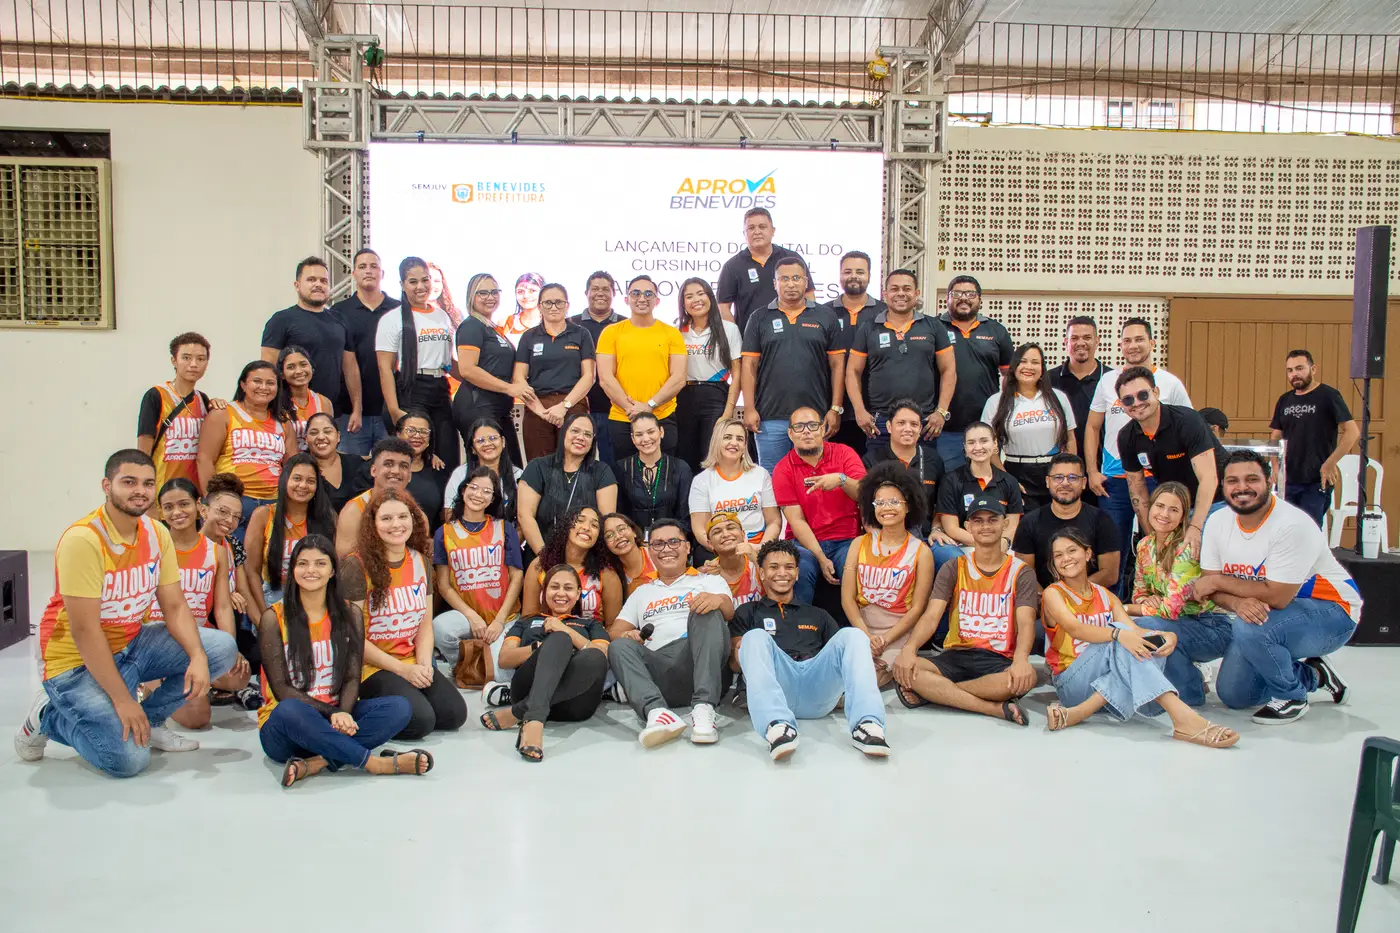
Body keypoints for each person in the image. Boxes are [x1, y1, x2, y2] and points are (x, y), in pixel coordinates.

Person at [15, 450, 238, 776]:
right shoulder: (84, 540)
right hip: (74, 663)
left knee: (221, 648)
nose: (140, 491)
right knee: (128, 760)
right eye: (129, 482)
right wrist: (123, 700)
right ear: (107, 486)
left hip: (131, 645)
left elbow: (175, 606)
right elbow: (85, 632)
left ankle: (151, 721)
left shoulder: (156, 533)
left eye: (148, 483)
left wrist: (197, 655)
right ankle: (47, 716)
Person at [1193, 451, 1359, 724]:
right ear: (1223, 486)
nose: (1242, 487)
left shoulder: (1291, 524)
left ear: (1269, 481)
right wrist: (1236, 602)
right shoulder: (1218, 521)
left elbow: (1278, 596)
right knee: (1235, 695)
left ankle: (1291, 696)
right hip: (1271, 613)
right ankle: (1315, 675)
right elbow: (1209, 587)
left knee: (1251, 626)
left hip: (1331, 611)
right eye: (1232, 481)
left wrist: (1218, 581)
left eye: (1251, 479)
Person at [1040, 528, 1240, 748]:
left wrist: (1165, 636)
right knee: (1120, 635)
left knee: (1145, 644)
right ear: (1053, 564)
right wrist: (1118, 634)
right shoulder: (1053, 593)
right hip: (1071, 683)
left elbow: (1134, 630)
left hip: (1103, 685)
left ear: (1087, 554)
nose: (1066, 558)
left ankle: (1078, 713)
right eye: (1058, 555)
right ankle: (1182, 717)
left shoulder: (1105, 595)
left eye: (1072, 551)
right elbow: (1076, 629)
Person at [255, 535, 429, 787]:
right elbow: (282, 690)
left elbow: (351, 677)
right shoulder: (273, 618)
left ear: (333, 571)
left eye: (320, 563)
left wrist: (344, 713)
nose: (311, 570)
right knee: (288, 710)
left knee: (399, 707)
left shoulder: (350, 614)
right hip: (290, 729)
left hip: (335, 720)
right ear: (292, 570)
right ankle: (374, 764)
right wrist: (334, 713)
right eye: (302, 563)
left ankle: (318, 762)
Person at [731, 540, 889, 760]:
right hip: (778, 686)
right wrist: (743, 651)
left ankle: (868, 724)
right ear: (762, 573)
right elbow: (734, 665)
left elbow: (843, 657)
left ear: (797, 573)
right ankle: (776, 726)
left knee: (853, 635)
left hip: (817, 689)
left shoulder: (818, 614)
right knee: (754, 636)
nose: (782, 573)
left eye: (789, 567)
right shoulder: (748, 611)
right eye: (774, 567)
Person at [890, 495, 1037, 726]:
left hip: (999, 659)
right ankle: (992, 708)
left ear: (1005, 524)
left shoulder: (1021, 571)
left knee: (1024, 678)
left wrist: (1021, 660)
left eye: (992, 520)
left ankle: (938, 694)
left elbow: (1026, 622)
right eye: (978, 521)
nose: (985, 526)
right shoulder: (953, 567)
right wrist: (909, 648)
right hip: (956, 655)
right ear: (968, 526)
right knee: (908, 667)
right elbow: (931, 616)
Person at [340, 489, 468, 740]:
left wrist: (424, 664)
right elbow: (353, 638)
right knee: (422, 721)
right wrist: (402, 670)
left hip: (408, 659)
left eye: (402, 516)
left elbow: (425, 625)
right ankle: (359, 709)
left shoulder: (421, 561)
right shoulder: (356, 566)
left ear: (413, 519)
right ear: (373, 524)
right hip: (369, 666)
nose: (396, 524)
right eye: (386, 519)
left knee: (454, 714)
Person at [1085, 318, 1192, 593]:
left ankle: (1161, 601)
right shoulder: (1108, 381)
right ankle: (1113, 607)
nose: (1133, 346)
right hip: (1115, 480)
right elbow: (1093, 427)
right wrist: (1092, 471)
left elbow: (1188, 426)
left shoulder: (1170, 383)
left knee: (1162, 544)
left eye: (1139, 339)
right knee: (1113, 552)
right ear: (1120, 345)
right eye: (1127, 340)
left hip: (1160, 479)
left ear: (1152, 343)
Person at [608, 519, 734, 747]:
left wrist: (716, 600)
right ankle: (657, 713)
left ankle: (704, 708)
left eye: (674, 542)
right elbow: (615, 631)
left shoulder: (710, 580)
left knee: (705, 609)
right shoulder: (641, 591)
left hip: (699, 661)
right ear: (650, 551)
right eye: (658, 544)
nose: (666, 549)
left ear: (687, 547)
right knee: (618, 646)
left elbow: (728, 609)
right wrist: (628, 635)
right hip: (660, 672)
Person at [479, 564, 611, 761]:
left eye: (568, 588)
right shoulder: (525, 622)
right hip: (528, 686)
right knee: (558, 641)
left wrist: (565, 630)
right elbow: (505, 659)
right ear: (544, 591)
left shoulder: (591, 624)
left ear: (578, 594)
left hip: (576, 702)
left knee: (591, 654)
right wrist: (542, 649)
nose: (561, 593)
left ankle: (520, 711)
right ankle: (535, 720)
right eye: (554, 587)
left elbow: (602, 656)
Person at [148, 478, 254, 724]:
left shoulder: (216, 552)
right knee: (197, 719)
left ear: (198, 505)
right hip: (160, 638)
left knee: (239, 675)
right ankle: (153, 683)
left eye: (183, 504)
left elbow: (223, 606)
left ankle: (186, 678)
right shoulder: (154, 548)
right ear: (161, 512)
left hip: (199, 636)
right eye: (169, 507)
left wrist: (229, 648)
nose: (177, 512)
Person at [1121, 482, 1234, 708]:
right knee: (1143, 624)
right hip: (1177, 623)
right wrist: (1144, 601)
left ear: (1183, 516)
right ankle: (1187, 680)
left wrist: (1125, 609)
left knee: (1144, 624)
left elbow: (1169, 609)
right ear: (1150, 507)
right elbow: (1139, 593)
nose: (1164, 514)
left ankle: (1189, 691)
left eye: (1173, 510)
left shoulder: (1186, 548)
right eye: (1160, 506)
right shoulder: (1144, 545)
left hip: (1210, 625)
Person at [740, 255, 845, 469]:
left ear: (806, 282)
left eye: (796, 278)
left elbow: (837, 366)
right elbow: (749, 366)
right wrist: (749, 408)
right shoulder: (759, 318)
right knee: (772, 477)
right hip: (770, 417)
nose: (790, 284)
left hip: (815, 418)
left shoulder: (826, 316)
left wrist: (835, 408)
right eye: (784, 279)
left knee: (815, 477)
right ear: (775, 284)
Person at [1116, 365, 1228, 557]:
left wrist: (1195, 527)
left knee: (1208, 563)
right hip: (1178, 508)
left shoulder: (1187, 421)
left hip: (1217, 502)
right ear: (1121, 404)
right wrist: (1153, 537)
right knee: (1173, 566)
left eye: (1143, 395)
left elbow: (1209, 479)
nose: (1137, 403)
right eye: (1128, 399)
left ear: (1156, 392)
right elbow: (1138, 492)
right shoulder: (1127, 437)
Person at [840, 464, 935, 686]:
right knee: (839, 675)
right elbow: (847, 598)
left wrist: (885, 639)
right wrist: (865, 635)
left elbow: (918, 608)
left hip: (898, 633)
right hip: (862, 629)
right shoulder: (858, 544)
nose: (886, 508)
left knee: (868, 680)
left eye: (894, 502)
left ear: (908, 505)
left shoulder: (921, 552)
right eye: (880, 503)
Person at [846, 269, 955, 460]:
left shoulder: (933, 326)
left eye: (907, 289)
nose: (901, 293)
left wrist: (941, 411)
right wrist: (859, 411)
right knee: (879, 476)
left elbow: (949, 370)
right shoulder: (869, 327)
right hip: (879, 422)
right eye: (894, 289)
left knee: (920, 476)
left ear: (917, 293)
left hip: (923, 422)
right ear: (885, 294)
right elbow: (852, 371)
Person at [430, 468, 525, 684]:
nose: (478, 494)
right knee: (440, 629)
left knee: (500, 675)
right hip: (468, 616)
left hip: (504, 617)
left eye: (486, 491)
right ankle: (463, 666)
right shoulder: (444, 533)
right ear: (463, 490)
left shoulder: (504, 528)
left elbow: (517, 576)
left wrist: (499, 621)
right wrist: (472, 617)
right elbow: (444, 586)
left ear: (493, 499)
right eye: (473, 487)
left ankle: (478, 666)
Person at [770, 407, 866, 604]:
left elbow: (863, 493)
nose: (806, 431)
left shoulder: (844, 453)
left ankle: (858, 623)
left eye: (813, 425)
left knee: (855, 568)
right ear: (790, 433)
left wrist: (841, 480)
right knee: (799, 569)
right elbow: (796, 520)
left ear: (822, 429)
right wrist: (821, 557)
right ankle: (800, 622)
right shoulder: (782, 469)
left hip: (846, 539)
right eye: (799, 427)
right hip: (803, 543)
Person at [261, 256, 362, 440]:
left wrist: (357, 408)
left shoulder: (339, 320)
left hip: (332, 412)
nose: (318, 284)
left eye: (323, 281)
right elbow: (268, 368)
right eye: (311, 279)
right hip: (290, 413)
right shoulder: (281, 320)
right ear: (297, 285)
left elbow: (350, 368)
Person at [375, 257, 459, 472]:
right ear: (402, 284)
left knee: (448, 456)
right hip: (411, 389)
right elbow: (385, 368)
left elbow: (448, 362)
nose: (420, 286)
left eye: (425, 280)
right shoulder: (391, 319)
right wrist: (394, 410)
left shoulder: (442, 316)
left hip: (440, 389)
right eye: (413, 282)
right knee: (415, 458)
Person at [596, 274, 688, 459]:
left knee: (664, 473)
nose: (642, 298)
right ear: (626, 299)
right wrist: (632, 409)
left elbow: (679, 378)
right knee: (624, 473)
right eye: (636, 293)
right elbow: (605, 378)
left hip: (662, 416)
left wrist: (649, 405)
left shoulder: (671, 334)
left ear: (657, 300)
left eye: (648, 294)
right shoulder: (611, 333)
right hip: (623, 418)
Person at [196, 360, 293, 533]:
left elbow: (292, 465)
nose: (263, 387)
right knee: (228, 551)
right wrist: (212, 502)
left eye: (270, 383)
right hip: (233, 502)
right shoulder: (223, 413)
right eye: (257, 381)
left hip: (273, 503)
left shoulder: (283, 421)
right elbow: (205, 459)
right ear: (243, 384)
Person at [1270, 349, 1360, 527]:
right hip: (1287, 480)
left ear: (1313, 369)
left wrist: (1330, 463)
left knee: (1309, 531)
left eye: (1299, 368)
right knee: (1283, 530)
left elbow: (1352, 432)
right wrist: (1274, 466)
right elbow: (1275, 436)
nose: (1294, 374)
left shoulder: (1329, 395)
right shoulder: (1284, 400)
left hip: (1315, 480)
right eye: (1290, 370)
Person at [982, 343, 1077, 510]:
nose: (1029, 367)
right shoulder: (996, 401)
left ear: (1042, 369)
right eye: (1023, 361)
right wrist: (1006, 479)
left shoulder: (1058, 398)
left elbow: (1070, 439)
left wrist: (1069, 474)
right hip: (1016, 471)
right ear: (1014, 367)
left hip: (1054, 471)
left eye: (1035, 362)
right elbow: (988, 448)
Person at [935, 275, 1014, 470]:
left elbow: (1009, 376)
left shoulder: (996, 331)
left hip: (986, 426)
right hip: (945, 429)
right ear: (947, 298)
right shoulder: (934, 328)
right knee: (949, 482)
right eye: (957, 293)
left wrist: (1004, 410)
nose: (964, 298)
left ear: (979, 299)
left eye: (970, 294)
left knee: (986, 481)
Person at [862, 400, 960, 558]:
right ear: (889, 426)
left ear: (920, 429)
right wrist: (878, 538)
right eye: (901, 423)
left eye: (914, 424)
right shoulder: (872, 460)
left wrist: (936, 529)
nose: (908, 429)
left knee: (953, 557)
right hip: (887, 537)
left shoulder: (933, 459)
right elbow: (865, 507)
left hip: (927, 536)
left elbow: (941, 503)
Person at [245, 453, 337, 616]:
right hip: (274, 596)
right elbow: (251, 571)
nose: (303, 485)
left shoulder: (328, 518)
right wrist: (265, 616)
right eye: (297, 478)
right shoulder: (263, 515)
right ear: (285, 479)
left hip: (317, 595)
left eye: (310, 481)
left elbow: (336, 566)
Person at [1011, 453, 1120, 589]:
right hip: (1043, 597)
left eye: (1073, 477)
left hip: (1089, 596)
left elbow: (1110, 574)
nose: (1065, 483)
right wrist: (1050, 597)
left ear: (1084, 483)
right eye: (1058, 477)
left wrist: (1071, 594)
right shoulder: (1029, 523)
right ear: (1047, 481)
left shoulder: (1102, 520)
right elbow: (1025, 575)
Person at [514, 283, 596, 461]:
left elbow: (589, 376)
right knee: (539, 465)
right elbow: (518, 378)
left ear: (567, 305)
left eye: (559, 302)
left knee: (574, 463)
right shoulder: (529, 337)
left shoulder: (581, 334)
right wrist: (540, 410)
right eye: (548, 303)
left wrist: (564, 406)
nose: (553, 307)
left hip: (573, 405)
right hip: (537, 407)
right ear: (539, 306)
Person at [517, 411, 618, 557]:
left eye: (587, 434)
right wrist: (545, 556)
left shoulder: (602, 471)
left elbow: (605, 521)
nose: (581, 437)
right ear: (564, 433)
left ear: (593, 441)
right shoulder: (538, 467)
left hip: (585, 557)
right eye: (575, 431)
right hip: (540, 553)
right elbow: (525, 516)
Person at [330, 248, 400, 455]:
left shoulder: (398, 310)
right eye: (362, 267)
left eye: (373, 266)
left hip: (392, 410)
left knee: (394, 469)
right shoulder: (339, 311)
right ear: (353, 273)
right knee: (352, 471)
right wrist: (355, 409)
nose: (368, 271)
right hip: (350, 413)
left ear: (382, 273)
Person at [452, 272, 526, 467]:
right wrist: (509, 388)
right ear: (472, 296)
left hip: (497, 407)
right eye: (483, 293)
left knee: (511, 468)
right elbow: (467, 370)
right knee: (487, 471)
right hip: (478, 405)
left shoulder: (490, 327)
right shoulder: (471, 326)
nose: (490, 297)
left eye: (494, 292)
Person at [688, 417, 780, 558]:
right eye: (727, 437)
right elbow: (700, 529)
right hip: (721, 548)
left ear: (745, 445)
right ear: (716, 441)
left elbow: (774, 521)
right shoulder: (701, 481)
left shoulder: (761, 474)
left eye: (740, 439)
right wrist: (725, 550)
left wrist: (761, 548)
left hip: (758, 547)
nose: (734, 443)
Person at [676, 276, 743, 471]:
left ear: (710, 297)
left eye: (700, 294)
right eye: (689, 296)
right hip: (683, 398)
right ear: (683, 303)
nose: (696, 300)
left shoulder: (728, 329)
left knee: (712, 458)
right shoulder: (678, 331)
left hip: (716, 397)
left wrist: (728, 412)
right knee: (684, 458)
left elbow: (737, 374)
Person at [824, 250, 887, 453]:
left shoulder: (884, 313)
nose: (853, 276)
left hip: (873, 412)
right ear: (839, 275)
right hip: (832, 411)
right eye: (847, 271)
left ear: (869, 275)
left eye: (860, 272)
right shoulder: (823, 313)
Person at [136, 332, 214, 493]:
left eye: (201, 359)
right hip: (162, 488)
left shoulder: (203, 400)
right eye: (186, 358)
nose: (194, 364)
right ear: (174, 360)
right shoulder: (156, 395)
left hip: (193, 491)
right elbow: (143, 449)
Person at [521, 506, 624, 625]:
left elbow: (613, 627)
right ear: (566, 526)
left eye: (594, 525)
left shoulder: (607, 575)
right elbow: (527, 620)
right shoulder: (539, 565)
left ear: (599, 536)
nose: (586, 527)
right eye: (580, 520)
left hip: (590, 635)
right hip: (544, 634)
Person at [717, 207, 806, 334]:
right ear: (744, 233)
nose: (757, 232)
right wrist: (735, 337)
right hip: (750, 339)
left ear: (773, 231)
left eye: (762, 227)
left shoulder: (792, 258)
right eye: (751, 228)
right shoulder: (732, 266)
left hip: (792, 336)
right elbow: (723, 308)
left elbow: (809, 296)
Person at [935, 422, 1024, 548]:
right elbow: (952, 528)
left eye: (984, 441)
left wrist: (1002, 544)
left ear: (995, 444)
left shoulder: (1010, 481)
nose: (978, 447)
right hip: (963, 546)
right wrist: (986, 545)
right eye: (971, 442)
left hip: (1002, 547)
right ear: (965, 447)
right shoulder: (950, 480)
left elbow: (1011, 526)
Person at [570, 270, 625, 464]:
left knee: (612, 466)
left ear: (613, 293)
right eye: (595, 289)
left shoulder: (625, 325)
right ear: (586, 293)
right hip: (579, 408)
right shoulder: (571, 325)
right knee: (578, 463)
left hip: (616, 409)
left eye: (606, 289)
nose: (600, 293)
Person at [335, 437, 415, 557]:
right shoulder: (354, 511)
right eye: (388, 464)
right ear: (373, 470)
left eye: (403, 466)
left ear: (409, 476)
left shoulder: (416, 512)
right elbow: (345, 561)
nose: (396, 471)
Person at [615, 412, 694, 531]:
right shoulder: (622, 468)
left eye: (651, 432)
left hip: (672, 538)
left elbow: (686, 516)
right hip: (634, 538)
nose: (646, 439)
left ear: (661, 432)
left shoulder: (680, 468)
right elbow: (619, 514)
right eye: (639, 434)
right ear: (632, 438)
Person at [1052, 316, 1106, 484]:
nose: (1080, 343)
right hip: (1061, 473)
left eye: (1087, 337)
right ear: (1066, 342)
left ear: (1097, 341)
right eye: (1074, 338)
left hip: (1102, 472)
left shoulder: (1111, 379)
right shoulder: (1048, 380)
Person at [443, 417, 523, 525]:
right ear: (473, 448)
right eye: (480, 440)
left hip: (509, 534)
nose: (487, 443)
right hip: (466, 535)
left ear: (503, 442)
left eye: (493, 438)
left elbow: (524, 519)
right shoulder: (460, 474)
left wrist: (509, 537)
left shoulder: (518, 475)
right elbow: (449, 516)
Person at [394, 411, 449, 530]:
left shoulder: (438, 470)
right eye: (411, 430)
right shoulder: (384, 469)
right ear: (398, 434)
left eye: (424, 432)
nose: (417, 436)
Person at [304, 412, 366, 514]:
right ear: (306, 439)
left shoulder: (357, 464)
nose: (321, 437)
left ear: (338, 436)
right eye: (314, 433)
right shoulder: (301, 469)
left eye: (327, 432)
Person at [276, 345, 334, 452]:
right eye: (291, 367)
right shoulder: (276, 403)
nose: (299, 371)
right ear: (282, 374)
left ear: (312, 367)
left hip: (317, 459)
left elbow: (330, 440)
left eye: (303, 365)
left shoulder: (324, 402)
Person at [702, 512, 764, 607]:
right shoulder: (708, 573)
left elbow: (778, 593)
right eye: (717, 532)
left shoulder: (758, 561)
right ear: (710, 544)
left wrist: (757, 561)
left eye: (731, 528)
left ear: (743, 534)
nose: (725, 534)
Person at [602, 512, 657, 594]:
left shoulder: (656, 555)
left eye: (621, 529)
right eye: (609, 535)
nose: (618, 537)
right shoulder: (610, 574)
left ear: (634, 532)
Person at [498, 271, 544, 338]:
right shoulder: (504, 323)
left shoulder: (553, 323)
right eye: (520, 292)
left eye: (532, 291)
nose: (526, 296)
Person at [426, 261, 462, 331]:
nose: (432, 285)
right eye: (427, 280)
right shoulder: (409, 313)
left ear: (443, 284)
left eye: (436, 281)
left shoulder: (455, 313)